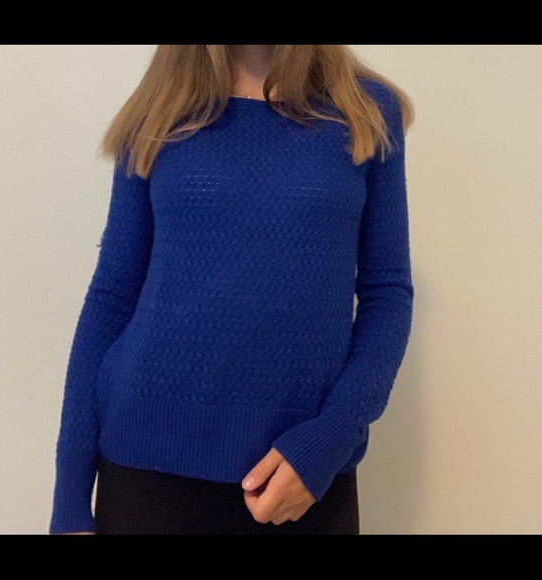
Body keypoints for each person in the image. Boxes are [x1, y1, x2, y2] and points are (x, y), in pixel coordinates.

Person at [49, 45, 415, 535]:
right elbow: (112, 297)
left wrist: (332, 438)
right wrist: (70, 503)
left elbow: (387, 293)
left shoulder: (364, 109)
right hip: (146, 474)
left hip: (300, 477)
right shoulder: (161, 108)